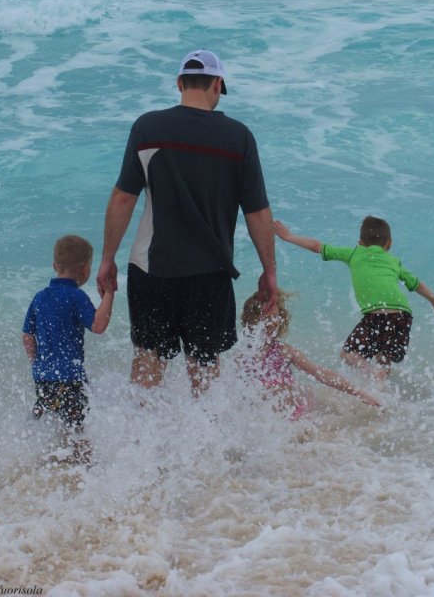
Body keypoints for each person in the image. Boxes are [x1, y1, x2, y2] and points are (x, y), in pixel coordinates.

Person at [97, 49, 277, 396]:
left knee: (148, 364)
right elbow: (257, 212)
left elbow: (123, 198)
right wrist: (269, 270)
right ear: (217, 85)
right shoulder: (238, 137)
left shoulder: (148, 127)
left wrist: (107, 259)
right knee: (205, 372)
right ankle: (202, 447)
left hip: (151, 270)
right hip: (210, 274)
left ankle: (139, 441)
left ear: (179, 83)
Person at [274, 216, 434, 380]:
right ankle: (382, 392)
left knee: (348, 354)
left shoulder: (354, 253)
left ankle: (373, 373)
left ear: (360, 242)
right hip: (403, 315)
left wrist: (288, 236)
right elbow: (416, 284)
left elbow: (317, 246)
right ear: (389, 244)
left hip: (378, 314)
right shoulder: (394, 261)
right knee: (384, 357)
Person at [22, 235, 114, 462]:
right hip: (70, 380)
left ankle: (49, 465)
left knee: (54, 426)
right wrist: (109, 295)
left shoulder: (40, 297)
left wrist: (36, 363)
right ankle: (85, 472)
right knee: (79, 431)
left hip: (43, 378)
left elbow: (27, 335)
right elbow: (98, 325)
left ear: (55, 266)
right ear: (84, 270)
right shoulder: (76, 296)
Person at [240, 291, 381, 416]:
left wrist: (358, 393)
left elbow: (321, 373)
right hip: (267, 418)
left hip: (295, 413)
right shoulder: (242, 357)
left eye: (276, 316)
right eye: (267, 318)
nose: (274, 322)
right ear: (253, 321)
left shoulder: (284, 351)